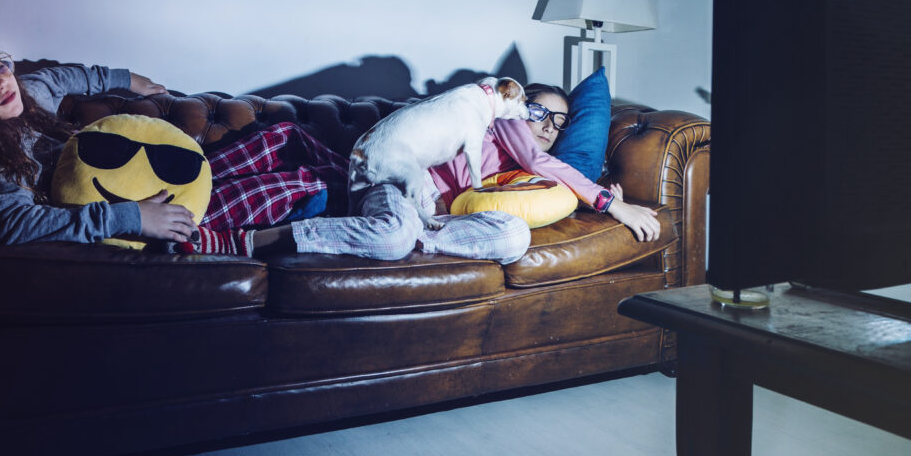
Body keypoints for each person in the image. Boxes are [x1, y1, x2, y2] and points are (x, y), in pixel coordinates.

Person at [0, 21, 347, 252]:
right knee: (299, 186)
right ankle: (354, 204)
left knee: (282, 135)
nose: (0, 82)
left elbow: (67, 77)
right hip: (134, 210)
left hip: (148, 171)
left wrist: (133, 80)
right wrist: (131, 217)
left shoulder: (28, 93)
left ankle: (367, 180)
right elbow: (11, 226)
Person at [276, 80, 661, 266]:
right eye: (540, 112)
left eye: (559, 123)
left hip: (440, 216)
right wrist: (610, 204)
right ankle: (267, 240)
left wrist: (596, 202)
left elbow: (549, 195)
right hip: (400, 182)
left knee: (514, 236)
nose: (547, 127)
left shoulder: (517, 169)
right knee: (393, 237)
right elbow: (542, 163)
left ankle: (417, 236)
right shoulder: (503, 121)